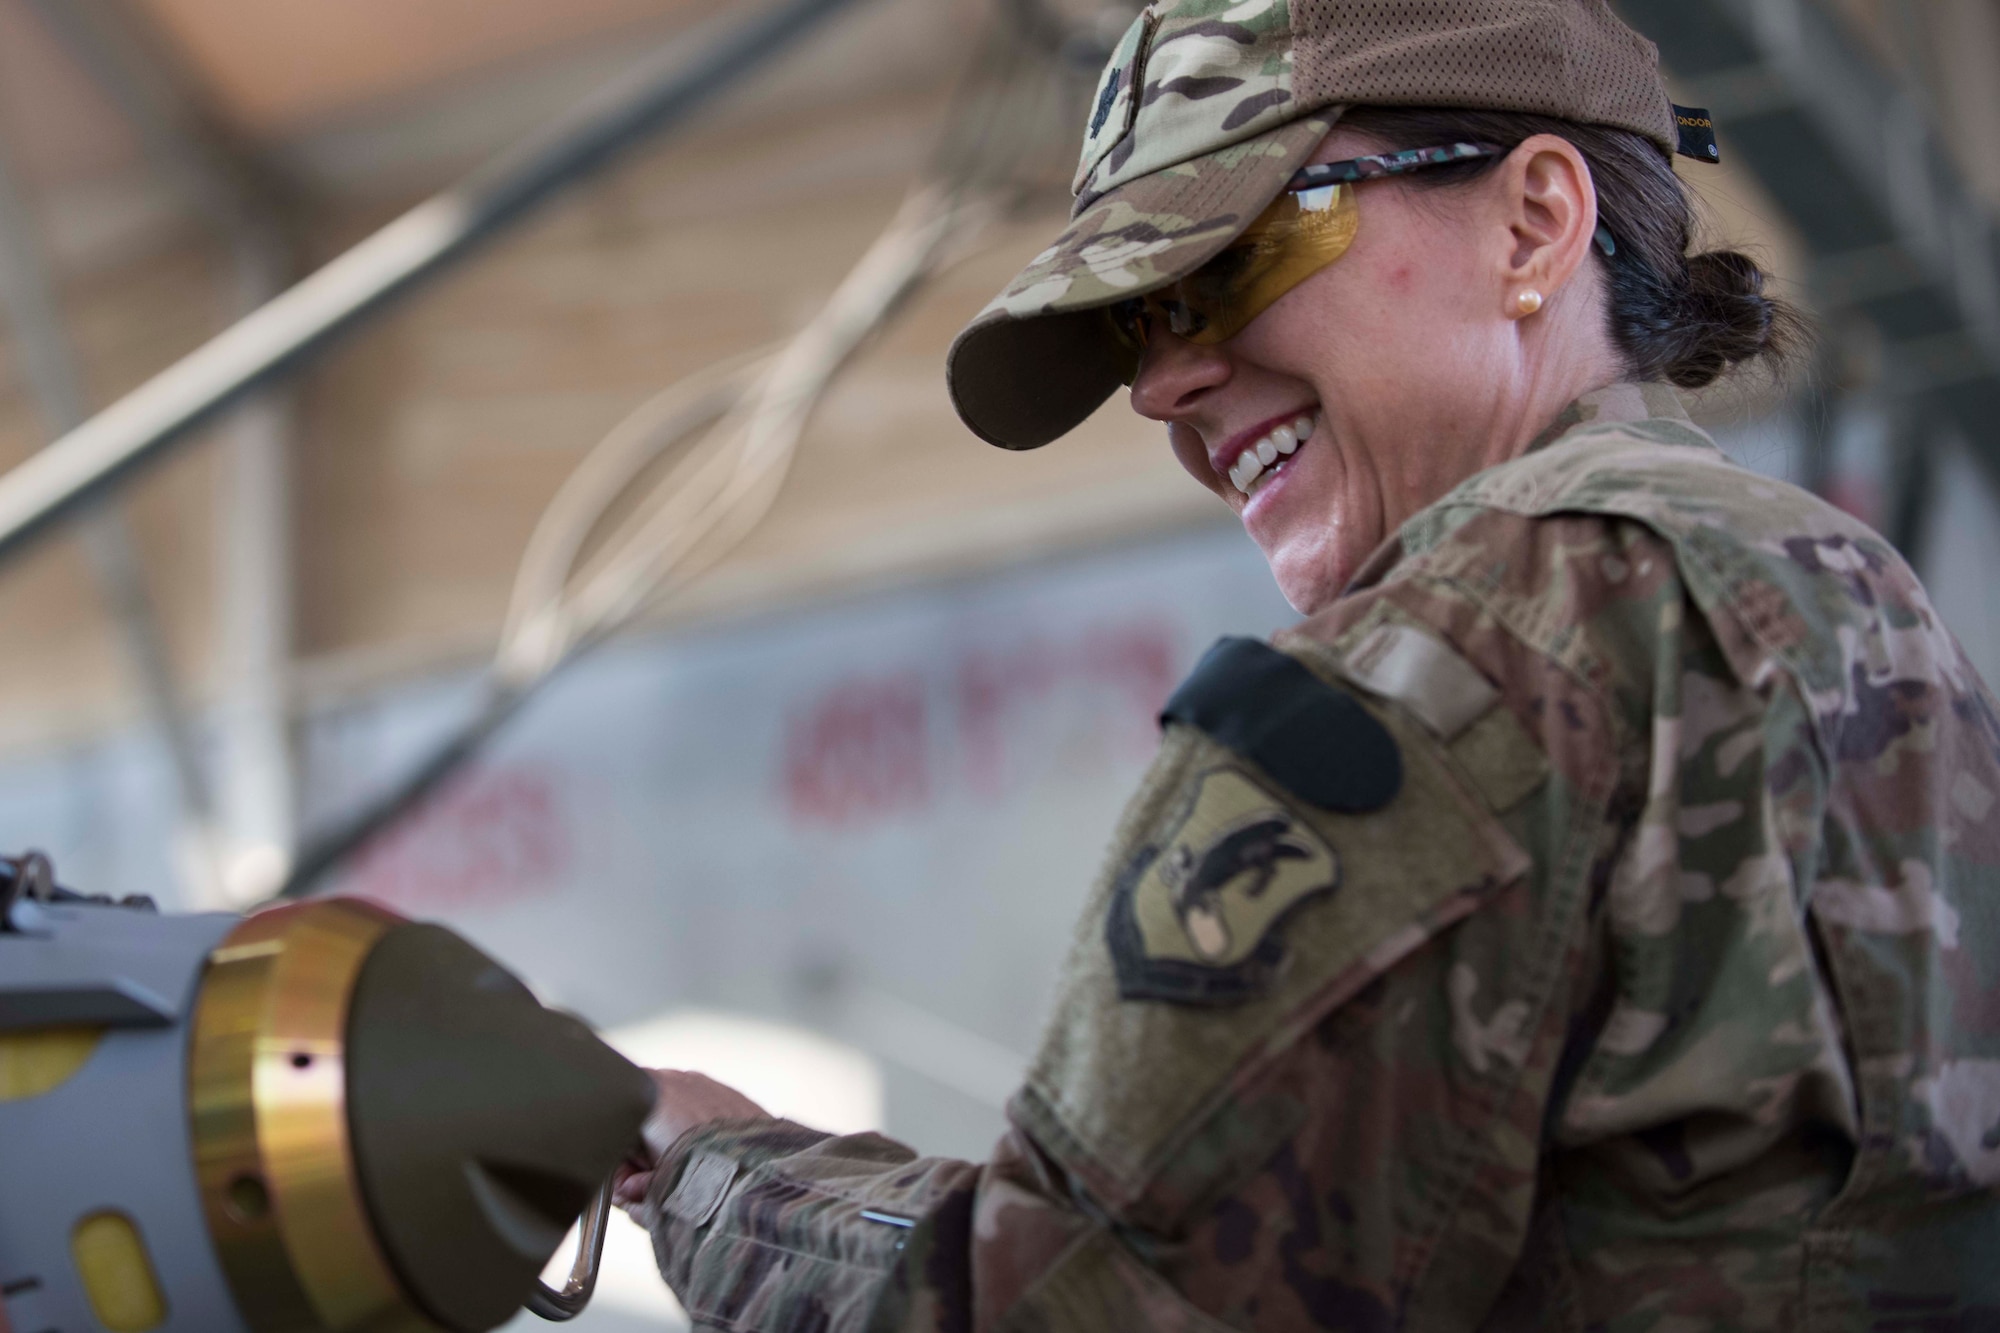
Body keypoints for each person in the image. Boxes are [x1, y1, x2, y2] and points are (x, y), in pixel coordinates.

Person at [613, 1, 2000, 1326]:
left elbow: (1075, 1311)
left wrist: (701, 1163)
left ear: (1535, 223)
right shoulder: (1846, 602)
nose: (1164, 385)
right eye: (1140, 322)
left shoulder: (1472, 644)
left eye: (1235, 264)